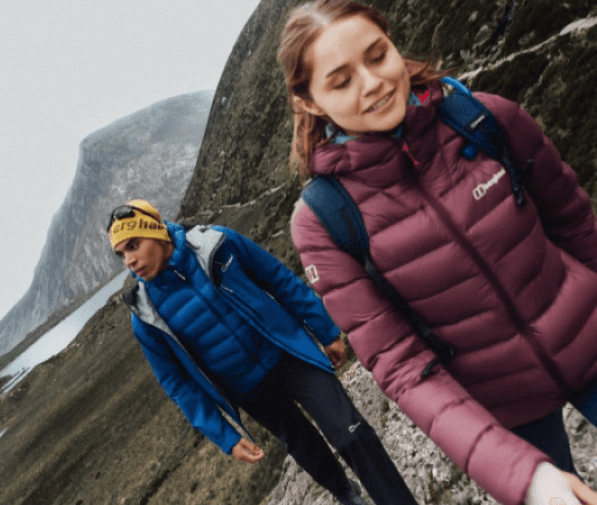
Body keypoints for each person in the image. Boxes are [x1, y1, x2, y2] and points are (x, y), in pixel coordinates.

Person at [279, 1, 597, 505]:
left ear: (392, 43)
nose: (373, 83)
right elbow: (401, 365)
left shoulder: (484, 117)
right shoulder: (324, 220)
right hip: (507, 407)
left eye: (377, 55)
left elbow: (576, 225)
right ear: (310, 102)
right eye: (340, 81)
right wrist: (524, 477)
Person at [108, 198, 419, 505]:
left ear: (158, 231)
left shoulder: (217, 243)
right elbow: (177, 385)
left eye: (134, 245)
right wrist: (225, 437)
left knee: (350, 433)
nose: (130, 261)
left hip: (288, 353)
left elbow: (278, 279)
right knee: (308, 452)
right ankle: (346, 493)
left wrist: (325, 330)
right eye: (121, 254)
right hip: (250, 390)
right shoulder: (145, 317)